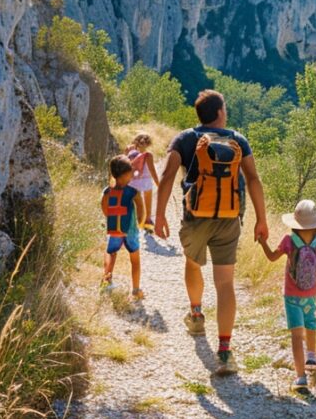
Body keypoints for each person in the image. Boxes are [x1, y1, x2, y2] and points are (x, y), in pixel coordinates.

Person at [154, 89, 269, 376]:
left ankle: (195, 314)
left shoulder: (184, 138)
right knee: (225, 283)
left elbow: (168, 175)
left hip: (195, 217)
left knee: (193, 263)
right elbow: (253, 179)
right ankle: (226, 350)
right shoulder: (237, 140)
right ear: (220, 113)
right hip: (230, 218)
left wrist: (157, 215)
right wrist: (261, 219)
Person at [257, 199, 316, 395]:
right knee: (312, 324)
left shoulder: (289, 241)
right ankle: (311, 356)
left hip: (291, 296)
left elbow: (272, 257)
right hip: (311, 295)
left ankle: (300, 378)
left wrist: (263, 242)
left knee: (296, 336)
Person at [101, 155, 145, 299]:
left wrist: (110, 217)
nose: (132, 174)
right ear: (125, 174)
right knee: (135, 260)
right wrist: (140, 223)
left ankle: (106, 282)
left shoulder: (107, 191)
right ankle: (136, 290)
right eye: (131, 171)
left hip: (114, 230)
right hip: (131, 231)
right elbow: (141, 209)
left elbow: (104, 207)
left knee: (111, 254)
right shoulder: (133, 191)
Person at [125, 133, 159, 231]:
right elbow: (153, 172)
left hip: (132, 182)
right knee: (147, 202)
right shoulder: (148, 155)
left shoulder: (129, 151)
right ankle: (147, 221)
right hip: (146, 182)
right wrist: (159, 185)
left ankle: (133, 222)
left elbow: (123, 164)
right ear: (148, 144)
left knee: (135, 204)